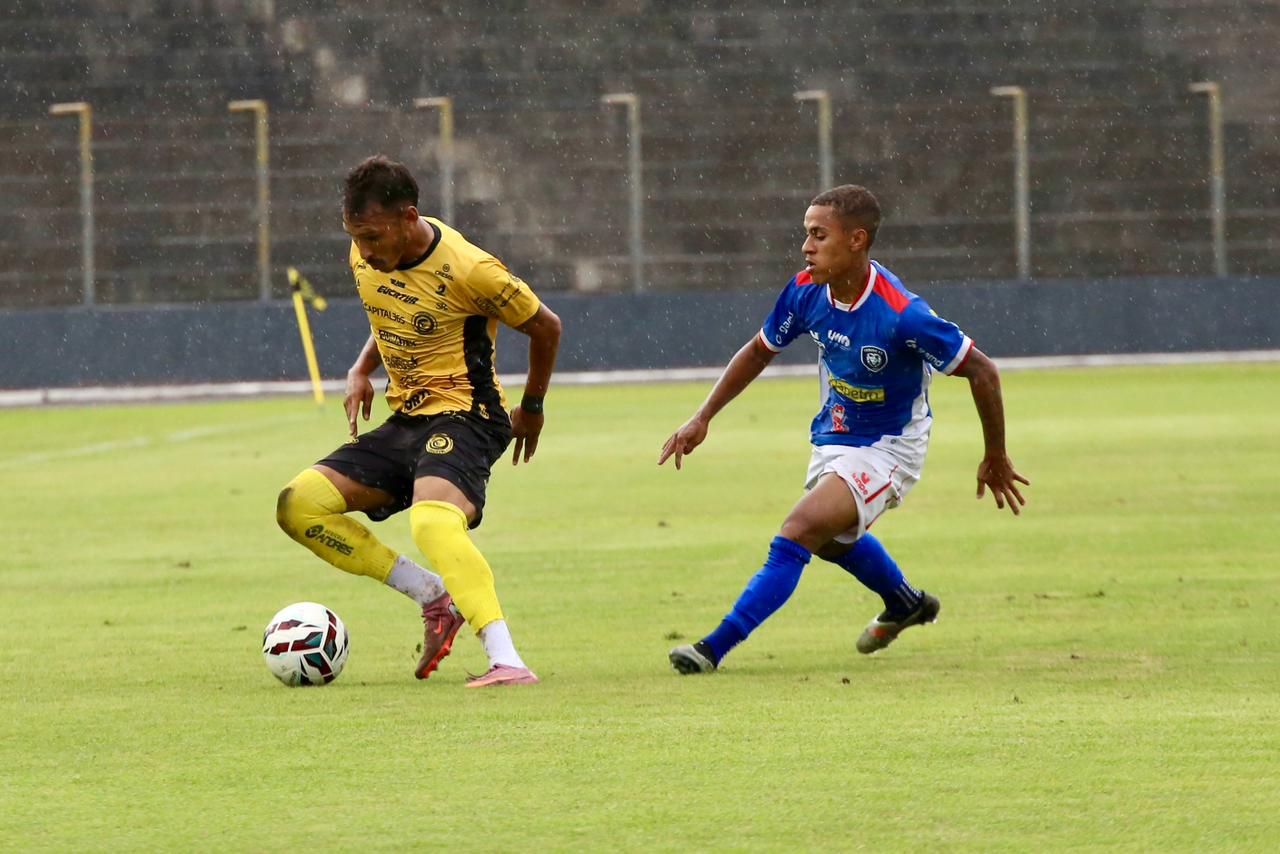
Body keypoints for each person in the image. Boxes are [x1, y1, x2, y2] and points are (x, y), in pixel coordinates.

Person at [660, 184, 1028, 674]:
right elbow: (759, 350)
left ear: (856, 240)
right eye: (806, 234)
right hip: (834, 435)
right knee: (831, 540)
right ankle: (905, 602)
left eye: (819, 235)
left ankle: (712, 649)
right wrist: (703, 416)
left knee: (799, 530)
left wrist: (995, 454)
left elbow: (982, 371)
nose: (806, 247)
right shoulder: (806, 291)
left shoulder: (903, 315)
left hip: (890, 447)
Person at [276, 155, 561, 687]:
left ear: (409, 218)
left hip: (469, 415)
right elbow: (395, 311)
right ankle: (432, 595)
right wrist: (361, 368)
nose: (364, 250)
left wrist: (533, 406)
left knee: (432, 522)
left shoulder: (471, 269)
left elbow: (546, 327)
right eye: (355, 237)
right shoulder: (367, 255)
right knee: (298, 506)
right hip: (406, 420)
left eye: (373, 237)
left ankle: (507, 660)